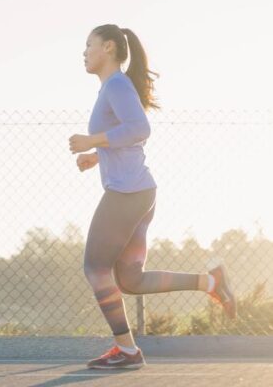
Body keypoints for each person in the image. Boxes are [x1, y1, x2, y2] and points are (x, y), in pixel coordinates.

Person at [68, 24, 237, 370]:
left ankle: (128, 351)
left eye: (89, 45)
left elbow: (140, 129)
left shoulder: (115, 84)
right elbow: (129, 136)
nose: (84, 52)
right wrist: (96, 156)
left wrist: (92, 141)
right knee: (130, 279)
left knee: (96, 268)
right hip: (140, 192)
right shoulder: (112, 87)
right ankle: (211, 281)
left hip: (128, 193)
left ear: (110, 48)